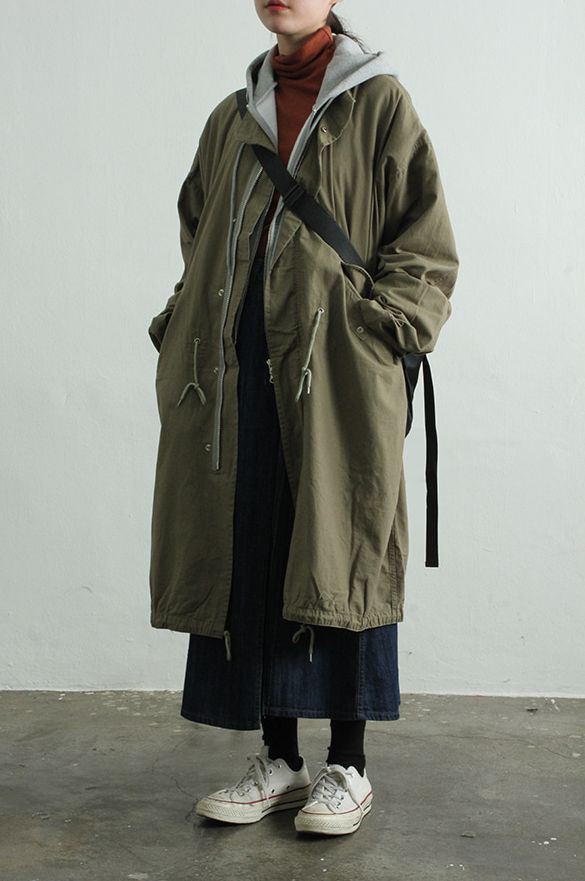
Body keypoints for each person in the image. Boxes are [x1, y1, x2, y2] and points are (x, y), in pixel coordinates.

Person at [147, 0, 459, 837]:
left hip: (336, 363)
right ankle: (279, 758)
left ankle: (347, 764)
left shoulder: (377, 101)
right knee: (252, 541)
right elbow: (198, 229)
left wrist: (384, 332)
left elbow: (423, 240)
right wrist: (182, 321)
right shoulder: (233, 114)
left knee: (340, 539)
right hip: (237, 361)